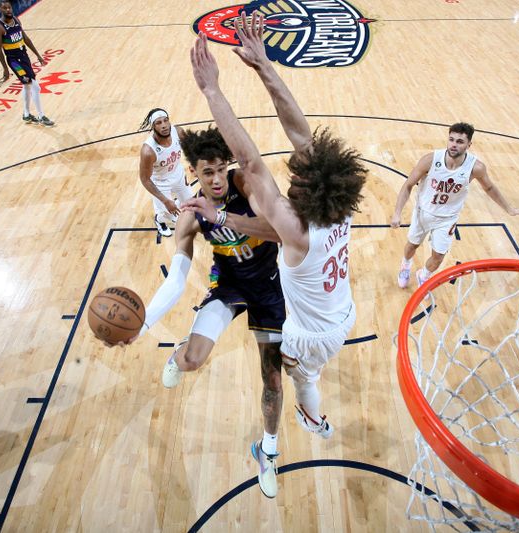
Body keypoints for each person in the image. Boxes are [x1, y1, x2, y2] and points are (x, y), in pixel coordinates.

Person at [190, 10, 366, 476]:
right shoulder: (339, 204)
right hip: (342, 310)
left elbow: (248, 161)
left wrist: (212, 90)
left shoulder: (297, 231)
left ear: (306, 190)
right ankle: (313, 411)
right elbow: (301, 133)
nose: (293, 173)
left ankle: (312, 417)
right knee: (305, 367)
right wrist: (266, 68)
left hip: (313, 333)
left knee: (299, 372)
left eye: (297, 178)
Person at [123, 126, 285, 499]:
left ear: (228, 166)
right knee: (191, 360)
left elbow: (276, 230)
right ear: (193, 173)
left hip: (270, 286)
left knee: (273, 380)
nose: (215, 179)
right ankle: (181, 349)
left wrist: (223, 217)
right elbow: (177, 278)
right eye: (205, 172)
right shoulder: (191, 215)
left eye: (219, 169)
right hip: (228, 283)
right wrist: (144, 322)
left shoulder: (245, 183)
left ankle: (268, 451)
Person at [391, 123, 519, 288]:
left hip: (447, 218)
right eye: (451, 140)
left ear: (468, 145)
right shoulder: (430, 160)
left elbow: (490, 188)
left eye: (459, 141)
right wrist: (397, 213)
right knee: (412, 246)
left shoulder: (476, 167)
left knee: (438, 257)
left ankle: (424, 275)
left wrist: (510, 209)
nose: (453, 145)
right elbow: (408, 185)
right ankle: (405, 265)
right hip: (424, 212)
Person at [0, 0, 54, 126]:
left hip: (24, 57)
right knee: (34, 85)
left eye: (9, 7)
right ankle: (41, 116)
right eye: (5, 8)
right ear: (0, 10)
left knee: (27, 85)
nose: (8, 10)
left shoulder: (16, 20)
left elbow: (25, 38)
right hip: (14, 61)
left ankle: (26, 114)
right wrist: (5, 69)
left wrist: (37, 55)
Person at [138, 108, 193, 237]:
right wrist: (165, 201)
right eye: (158, 123)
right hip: (160, 182)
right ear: (153, 127)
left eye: (165, 120)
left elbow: (189, 148)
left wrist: (193, 163)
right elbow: (145, 179)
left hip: (177, 173)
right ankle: (159, 220)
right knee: (166, 213)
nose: (163, 125)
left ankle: (174, 208)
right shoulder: (148, 151)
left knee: (190, 203)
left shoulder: (178, 132)